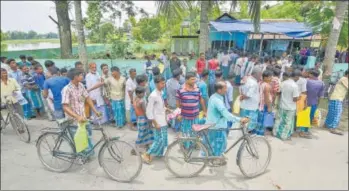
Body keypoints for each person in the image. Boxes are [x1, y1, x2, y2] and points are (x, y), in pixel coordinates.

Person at [205, 81, 249, 165]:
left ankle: (214, 158)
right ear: (219, 90)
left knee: (215, 144)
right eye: (225, 88)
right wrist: (239, 119)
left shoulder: (215, 96)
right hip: (217, 126)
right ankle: (216, 160)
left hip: (214, 124)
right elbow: (226, 114)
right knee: (219, 145)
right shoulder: (217, 100)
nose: (227, 89)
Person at [62, 68, 101, 156]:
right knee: (79, 140)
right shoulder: (67, 89)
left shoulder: (81, 86)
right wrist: (77, 117)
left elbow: (87, 98)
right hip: (74, 120)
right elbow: (65, 106)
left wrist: (95, 111)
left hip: (83, 118)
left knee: (87, 136)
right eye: (80, 75)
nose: (82, 76)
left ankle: (87, 154)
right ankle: (81, 156)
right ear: (75, 77)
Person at [141, 75, 168, 164]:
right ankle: (147, 154)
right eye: (161, 83)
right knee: (158, 140)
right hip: (157, 122)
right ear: (156, 84)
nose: (163, 85)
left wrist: (167, 109)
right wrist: (155, 123)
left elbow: (160, 107)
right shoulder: (153, 95)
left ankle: (159, 153)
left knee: (164, 139)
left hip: (163, 120)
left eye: (164, 83)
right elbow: (149, 111)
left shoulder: (161, 93)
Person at [176, 72, 207, 148]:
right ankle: (186, 145)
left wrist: (205, 111)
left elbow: (201, 100)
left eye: (194, 79)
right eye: (192, 79)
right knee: (186, 132)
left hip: (195, 116)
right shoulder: (180, 89)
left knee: (195, 131)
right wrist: (179, 114)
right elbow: (178, 102)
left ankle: (194, 144)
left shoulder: (197, 88)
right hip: (185, 116)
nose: (194, 81)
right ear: (186, 80)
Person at [298, 69, 325, 139]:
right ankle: (306, 130)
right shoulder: (321, 83)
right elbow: (320, 96)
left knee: (304, 116)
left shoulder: (306, 81)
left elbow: (302, 91)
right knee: (310, 116)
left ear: (311, 75)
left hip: (305, 101)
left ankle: (302, 131)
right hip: (314, 102)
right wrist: (318, 104)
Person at [273, 71, 299, 140]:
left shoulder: (283, 83)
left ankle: (275, 133)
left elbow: (278, 93)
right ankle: (283, 136)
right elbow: (295, 99)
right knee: (288, 122)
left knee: (278, 119)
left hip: (282, 105)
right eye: (298, 77)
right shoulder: (295, 86)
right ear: (296, 76)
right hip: (290, 107)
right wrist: (298, 98)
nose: (299, 79)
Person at [323, 70, 348, 135]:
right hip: (337, 98)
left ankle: (327, 125)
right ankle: (333, 128)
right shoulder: (344, 79)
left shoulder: (344, 79)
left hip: (336, 98)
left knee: (332, 113)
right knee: (337, 113)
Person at [239, 67, 262, 132]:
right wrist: (243, 97)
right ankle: (246, 136)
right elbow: (248, 95)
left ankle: (244, 134)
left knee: (243, 123)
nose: (261, 76)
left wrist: (241, 97)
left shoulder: (246, 79)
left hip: (244, 106)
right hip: (251, 107)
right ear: (257, 74)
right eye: (260, 74)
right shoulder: (253, 83)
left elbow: (240, 90)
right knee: (249, 124)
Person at [133, 86, 154, 151]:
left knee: (143, 132)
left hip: (139, 118)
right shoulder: (142, 101)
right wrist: (149, 120)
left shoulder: (135, 99)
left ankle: (146, 145)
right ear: (138, 94)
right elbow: (145, 111)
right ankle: (135, 148)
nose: (144, 94)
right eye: (143, 93)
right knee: (143, 133)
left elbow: (136, 110)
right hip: (144, 119)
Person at [255, 70, 273, 136]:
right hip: (264, 105)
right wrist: (269, 107)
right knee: (263, 120)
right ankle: (260, 134)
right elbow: (266, 98)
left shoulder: (260, 83)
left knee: (259, 120)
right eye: (270, 77)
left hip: (260, 104)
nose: (271, 78)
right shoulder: (267, 86)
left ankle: (257, 132)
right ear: (265, 78)